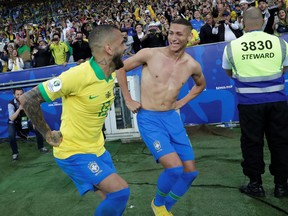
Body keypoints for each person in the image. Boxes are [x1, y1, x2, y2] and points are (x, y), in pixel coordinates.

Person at [19, 25, 130, 215]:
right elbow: (28, 99)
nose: (126, 46)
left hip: (97, 149)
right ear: (109, 49)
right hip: (74, 152)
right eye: (122, 42)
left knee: (114, 204)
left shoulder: (110, 71)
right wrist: (46, 133)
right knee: (120, 192)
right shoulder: (78, 75)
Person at [117, 18, 206, 215]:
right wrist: (128, 99)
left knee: (190, 172)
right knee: (174, 169)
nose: (174, 38)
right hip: (149, 119)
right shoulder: (150, 54)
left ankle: (165, 208)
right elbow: (119, 68)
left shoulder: (192, 65)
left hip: (172, 119)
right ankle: (157, 204)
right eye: (171, 33)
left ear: (189, 37)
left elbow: (201, 85)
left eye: (179, 34)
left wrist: (182, 102)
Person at [222, 7, 288, 198]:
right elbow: (284, 68)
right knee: (281, 141)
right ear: (262, 21)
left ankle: (255, 184)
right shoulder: (280, 43)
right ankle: (281, 186)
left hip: (249, 104)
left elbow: (229, 72)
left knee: (252, 142)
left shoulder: (232, 46)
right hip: (277, 101)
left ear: (243, 22)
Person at [8, 88, 49, 161]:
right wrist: (19, 109)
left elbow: (32, 113)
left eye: (21, 94)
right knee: (11, 136)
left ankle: (41, 147)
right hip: (14, 123)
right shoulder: (10, 104)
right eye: (17, 94)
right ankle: (15, 153)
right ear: (14, 95)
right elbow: (11, 118)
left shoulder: (27, 101)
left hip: (24, 121)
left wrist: (33, 122)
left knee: (37, 128)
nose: (20, 96)